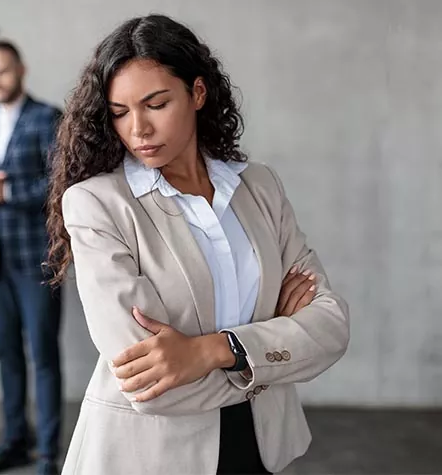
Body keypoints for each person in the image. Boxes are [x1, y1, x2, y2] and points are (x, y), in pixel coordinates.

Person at [45, 14, 350, 475]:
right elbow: (149, 383)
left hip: (261, 445)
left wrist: (211, 351)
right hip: (148, 456)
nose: (138, 129)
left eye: (156, 103)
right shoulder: (96, 204)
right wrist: (273, 353)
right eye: (121, 112)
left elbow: (330, 327)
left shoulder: (260, 187)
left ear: (198, 93)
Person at [0, 40, 63, 475]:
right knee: (6, 355)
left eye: (1, 72)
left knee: (42, 355)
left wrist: (5, 192)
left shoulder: (48, 118)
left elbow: (62, 186)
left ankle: (47, 453)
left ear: (20, 69)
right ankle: (13, 442)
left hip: (37, 258)